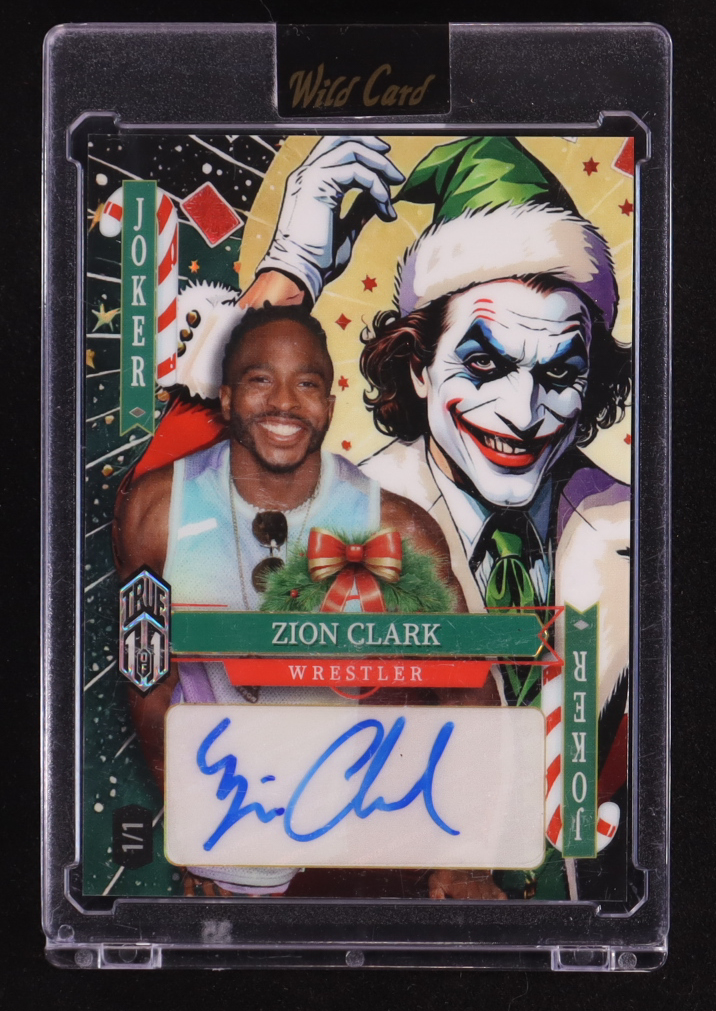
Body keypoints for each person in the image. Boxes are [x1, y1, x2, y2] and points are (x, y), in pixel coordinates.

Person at [230, 135, 632, 900]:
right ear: (417, 364)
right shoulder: (334, 522)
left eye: (559, 374)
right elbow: (177, 499)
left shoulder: (643, 536)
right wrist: (291, 272)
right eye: (484, 363)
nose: (522, 413)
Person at [115, 302, 502, 899]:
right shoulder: (156, 512)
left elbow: (469, 691)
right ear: (226, 399)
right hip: (232, 834)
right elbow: (149, 684)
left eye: (307, 384)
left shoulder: (397, 529)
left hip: (365, 834)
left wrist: (467, 858)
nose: (284, 403)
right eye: (260, 380)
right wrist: (195, 827)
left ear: (329, 404)